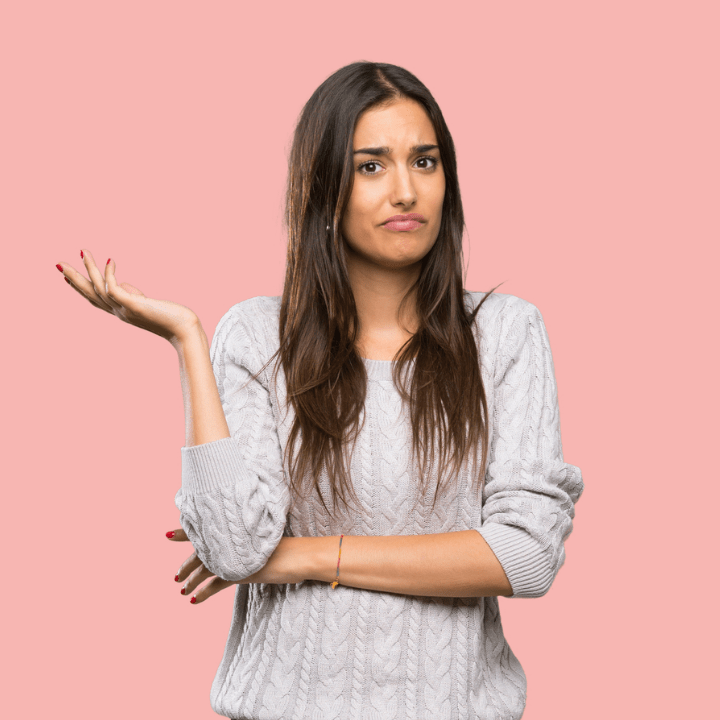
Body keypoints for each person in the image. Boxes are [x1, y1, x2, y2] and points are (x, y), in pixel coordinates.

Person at [57, 61, 584, 720]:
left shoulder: (505, 335)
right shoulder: (254, 336)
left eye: (425, 162)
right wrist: (188, 339)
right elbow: (233, 549)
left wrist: (303, 557)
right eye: (371, 166)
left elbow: (528, 555)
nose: (404, 190)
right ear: (323, 189)